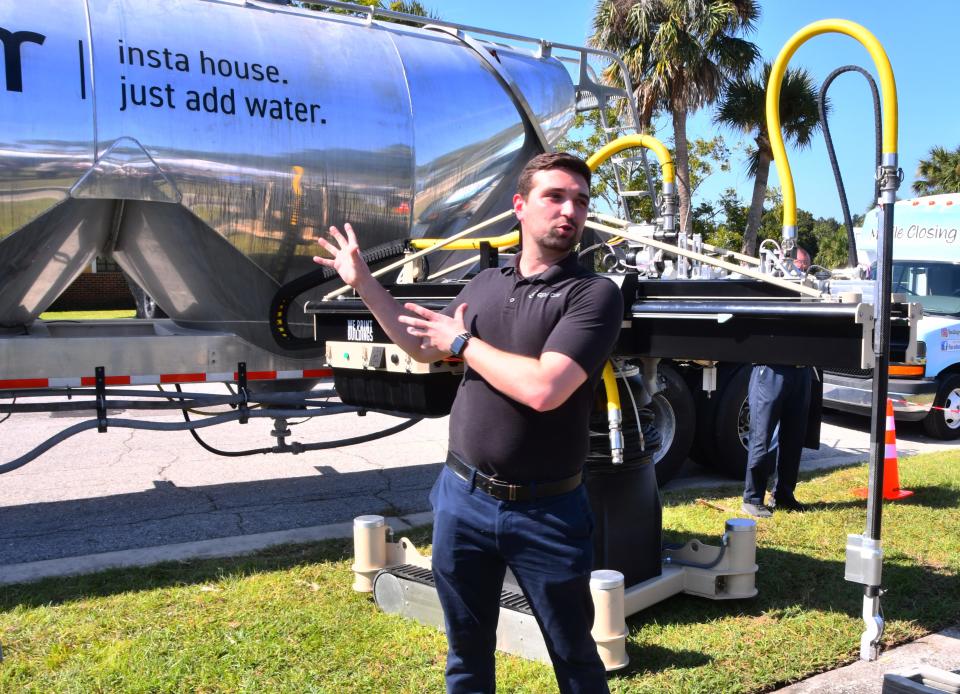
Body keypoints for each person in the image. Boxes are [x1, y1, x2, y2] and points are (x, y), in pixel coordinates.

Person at [313, 152, 623, 693]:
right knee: (466, 655)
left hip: (548, 512)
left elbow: (545, 389)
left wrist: (462, 343)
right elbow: (420, 345)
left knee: (574, 655)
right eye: (555, 197)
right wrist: (362, 282)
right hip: (463, 500)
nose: (569, 210)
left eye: (580, 200)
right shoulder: (483, 285)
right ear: (520, 207)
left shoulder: (592, 295)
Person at [742, 247, 814, 518]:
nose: (802, 270)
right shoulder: (771, 288)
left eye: (806, 265)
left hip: (801, 372)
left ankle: (784, 494)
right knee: (762, 437)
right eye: (798, 265)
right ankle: (752, 498)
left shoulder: (811, 293)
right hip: (771, 371)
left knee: (794, 438)